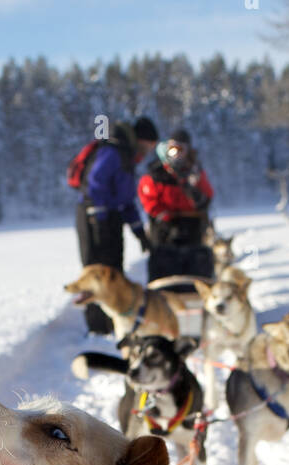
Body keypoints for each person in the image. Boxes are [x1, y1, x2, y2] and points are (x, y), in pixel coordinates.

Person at [70, 116, 159, 334]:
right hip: (92, 217)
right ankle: (97, 328)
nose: (149, 151)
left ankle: (114, 322)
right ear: (141, 139)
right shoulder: (112, 152)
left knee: (113, 272)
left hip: (111, 218)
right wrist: (99, 218)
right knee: (95, 273)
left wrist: (140, 233)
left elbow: (127, 201)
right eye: (149, 146)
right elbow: (96, 183)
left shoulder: (127, 158)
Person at [138, 129, 215, 283]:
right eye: (173, 149)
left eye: (180, 149)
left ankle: (194, 292)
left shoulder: (195, 172)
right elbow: (147, 198)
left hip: (191, 224)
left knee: (196, 259)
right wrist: (162, 215)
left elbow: (207, 195)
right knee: (163, 261)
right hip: (164, 226)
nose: (176, 153)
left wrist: (193, 185)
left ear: (187, 151)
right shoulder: (156, 172)